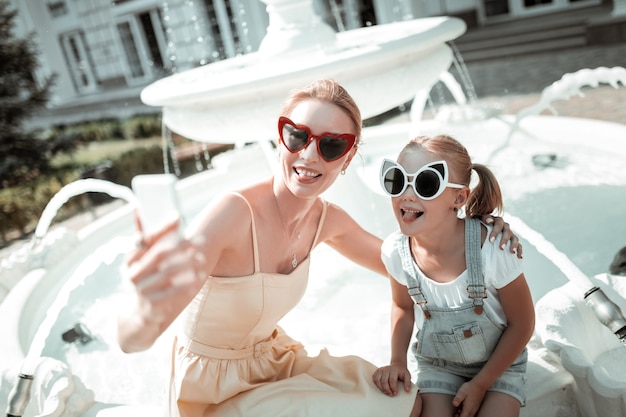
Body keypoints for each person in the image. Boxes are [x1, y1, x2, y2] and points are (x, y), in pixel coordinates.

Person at [117, 80, 521, 417]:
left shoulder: (328, 220)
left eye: (331, 145)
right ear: (281, 136)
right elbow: (132, 339)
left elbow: (414, 264)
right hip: (209, 390)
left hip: (273, 365)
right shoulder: (232, 213)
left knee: (403, 403)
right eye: (297, 135)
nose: (309, 154)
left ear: (347, 158)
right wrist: (148, 307)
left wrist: (471, 228)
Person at [373, 135, 534, 417]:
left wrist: (481, 383)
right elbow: (402, 307)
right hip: (439, 364)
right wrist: (397, 360)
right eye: (397, 180)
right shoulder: (396, 251)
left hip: (499, 368)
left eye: (426, 184)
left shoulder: (493, 250)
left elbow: (523, 324)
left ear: (459, 197)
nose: (407, 195)